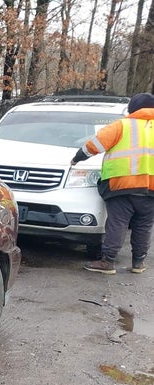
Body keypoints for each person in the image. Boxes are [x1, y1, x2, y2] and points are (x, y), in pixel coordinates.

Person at [71, 92, 154, 274]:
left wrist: (77, 158)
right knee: (144, 225)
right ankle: (138, 263)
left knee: (118, 223)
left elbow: (95, 144)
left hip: (123, 185)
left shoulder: (123, 125)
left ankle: (108, 262)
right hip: (151, 189)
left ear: (132, 109)